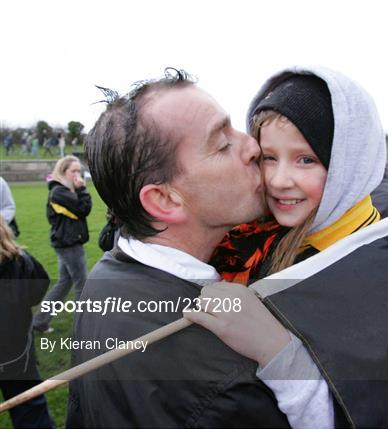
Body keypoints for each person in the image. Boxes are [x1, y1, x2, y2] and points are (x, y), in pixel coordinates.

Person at [66, 69, 292, 428]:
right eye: (222, 144)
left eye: (234, 128)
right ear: (166, 200)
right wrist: (289, 361)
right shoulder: (221, 380)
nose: (252, 146)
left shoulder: (111, 274)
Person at [186, 67, 387, 426]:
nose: (279, 181)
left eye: (306, 159)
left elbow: (379, 407)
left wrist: (277, 351)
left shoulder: (378, 270)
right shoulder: (255, 235)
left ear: (348, 163)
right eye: (268, 157)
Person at [0, 216, 56, 429]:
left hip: (17, 356)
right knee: (31, 410)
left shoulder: (21, 262)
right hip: (17, 356)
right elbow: (36, 291)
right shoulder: (21, 262)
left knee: (30, 408)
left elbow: (37, 288)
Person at [33, 155, 92, 333]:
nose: (77, 174)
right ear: (63, 171)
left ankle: (39, 321)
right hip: (69, 244)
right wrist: (82, 189)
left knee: (64, 283)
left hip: (66, 242)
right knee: (83, 284)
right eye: (73, 171)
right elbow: (83, 209)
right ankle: (83, 326)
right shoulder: (60, 191)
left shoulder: (63, 189)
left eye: (78, 171)